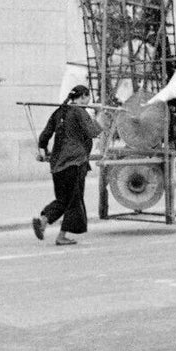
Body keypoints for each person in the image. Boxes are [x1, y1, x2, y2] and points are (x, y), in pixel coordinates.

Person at [32, 84, 107, 246]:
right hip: (75, 163)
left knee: (64, 199)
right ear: (82, 97)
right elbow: (93, 132)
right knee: (74, 201)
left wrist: (43, 151)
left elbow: (44, 135)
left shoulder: (59, 111)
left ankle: (43, 220)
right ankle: (61, 236)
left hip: (57, 165)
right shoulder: (79, 112)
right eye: (88, 98)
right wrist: (99, 114)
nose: (89, 101)